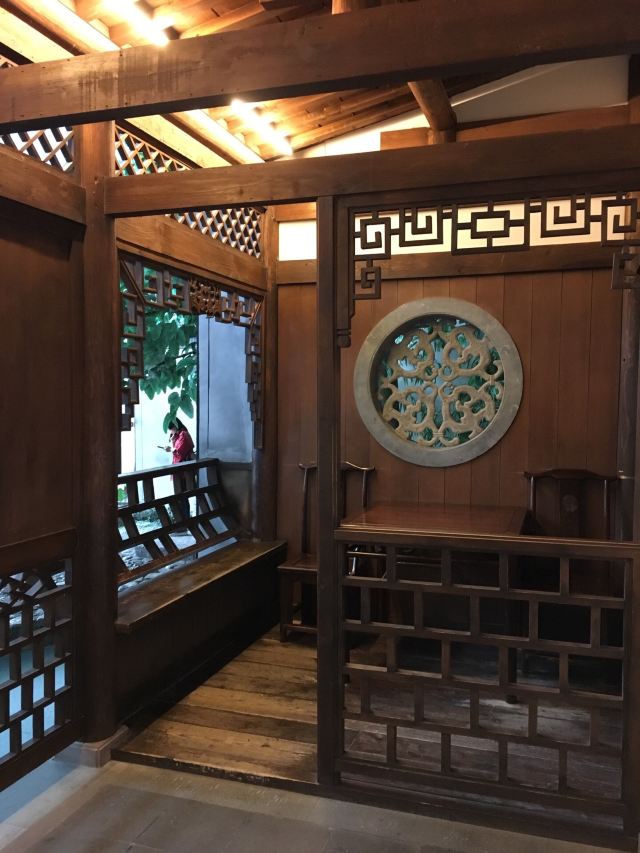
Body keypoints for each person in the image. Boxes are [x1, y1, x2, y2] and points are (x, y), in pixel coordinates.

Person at [164, 418, 195, 524]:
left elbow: (180, 453)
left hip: (183, 471)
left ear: (175, 426)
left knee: (182, 497)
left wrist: (170, 449)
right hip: (180, 471)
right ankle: (183, 521)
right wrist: (173, 441)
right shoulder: (179, 435)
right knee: (181, 497)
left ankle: (184, 522)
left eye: (171, 429)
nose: (171, 432)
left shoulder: (183, 435)